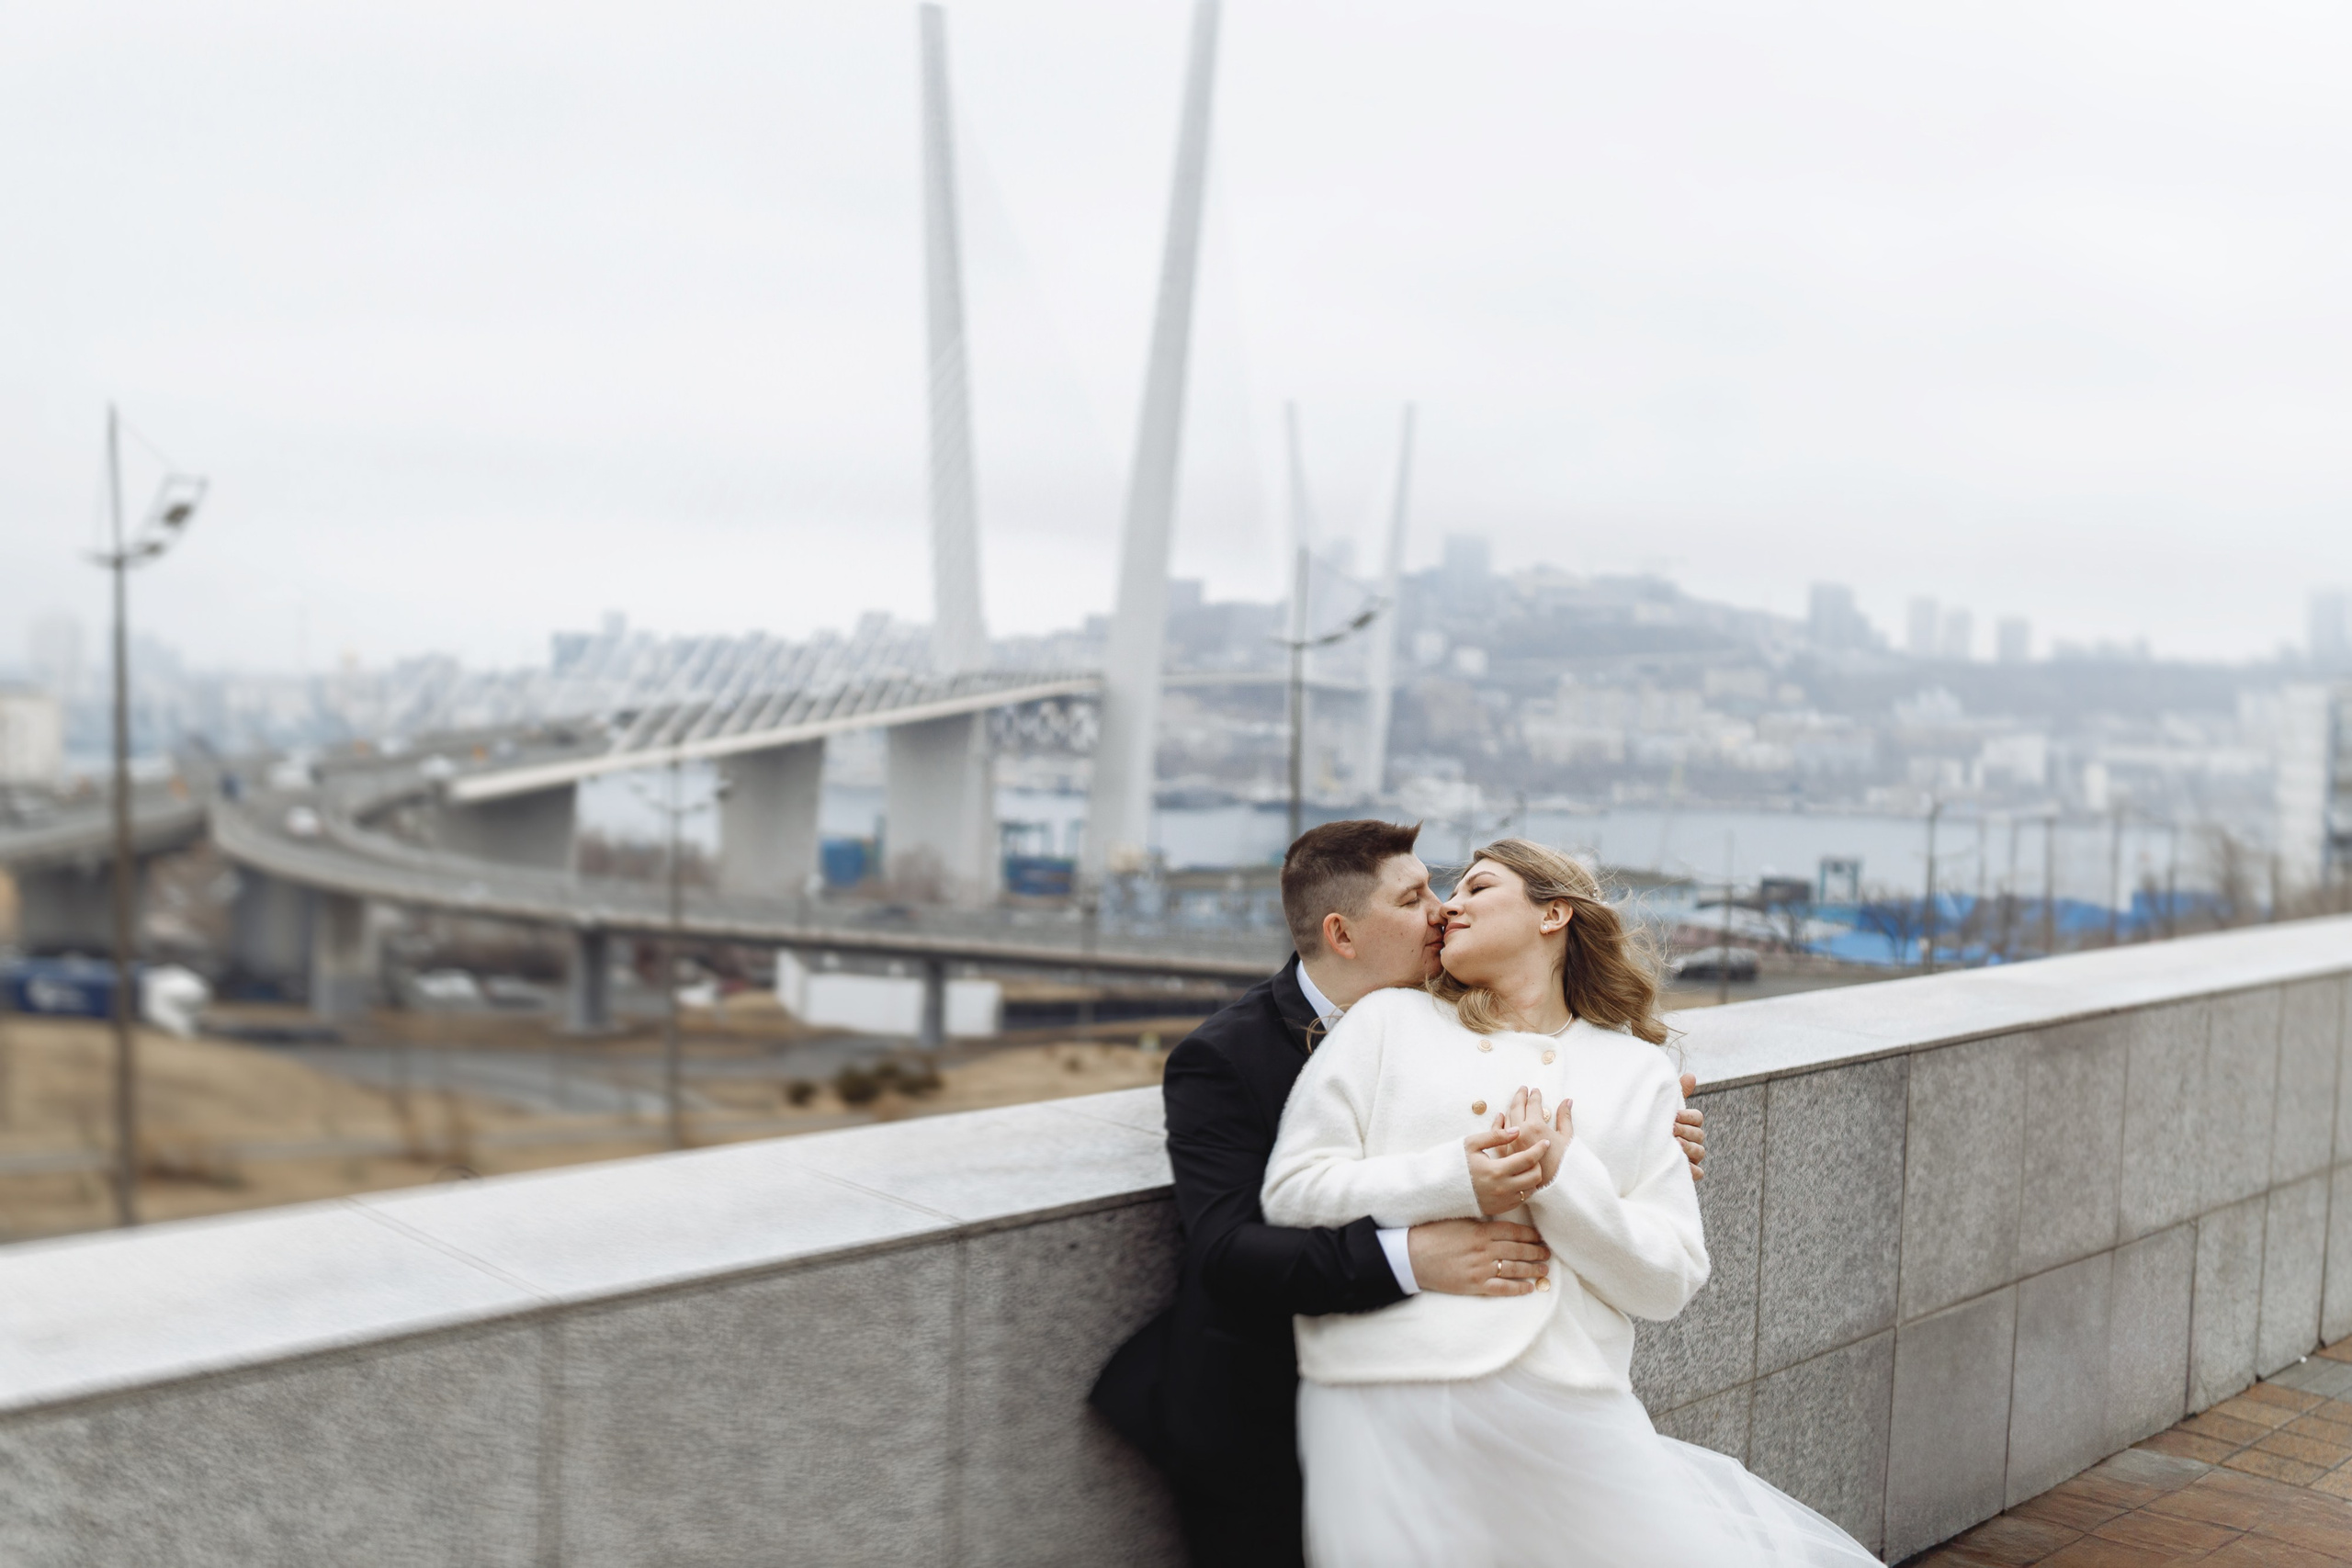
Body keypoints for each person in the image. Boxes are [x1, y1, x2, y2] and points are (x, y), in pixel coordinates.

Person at [1090, 820, 1706, 1568]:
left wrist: (1610, 1147)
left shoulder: (1606, 1062)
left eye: (1455, 889)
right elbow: (1234, 1242)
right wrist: (1417, 1254)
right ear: (1343, 933)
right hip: (1269, 1395)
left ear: (1554, 916)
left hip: (1534, 1401)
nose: (1443, 910)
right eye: (1417, 897)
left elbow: (1661, 1258)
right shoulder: (1233, 1054)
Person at [1261, 838, 1880, 1566]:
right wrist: (1460, 1174)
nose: (1448, 905)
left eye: (1477, 887)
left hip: (1567, 1398)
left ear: (1553, 912)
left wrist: (1563, 1178)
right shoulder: (1385, 1024)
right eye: (1447, 892)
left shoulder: (1637, 1073)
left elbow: (1670, 1278)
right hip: (1381, 1390)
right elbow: (1293, 1194)